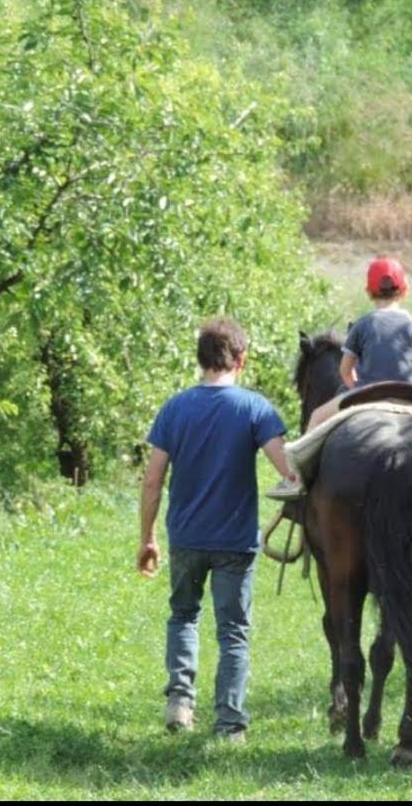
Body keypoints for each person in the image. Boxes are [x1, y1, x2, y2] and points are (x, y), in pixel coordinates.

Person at [137, 316, 298, 743]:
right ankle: (229, 724)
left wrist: (148, 538)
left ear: (200, 359)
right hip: (235, 543)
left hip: (187, 538)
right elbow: (290, 473)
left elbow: (152, 479)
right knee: (233, 632)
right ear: (240, 360)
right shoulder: (255, 409)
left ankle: (179, 702)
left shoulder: (175, 409)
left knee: (183, 615)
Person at [268, 256, 412, 499]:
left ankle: (295, 479)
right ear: (404, 290)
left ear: (369, 291)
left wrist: (356, 387)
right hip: (411, 395)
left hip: (367, 394)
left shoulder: (362, 325)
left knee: (315, 418)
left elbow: (345, 370)